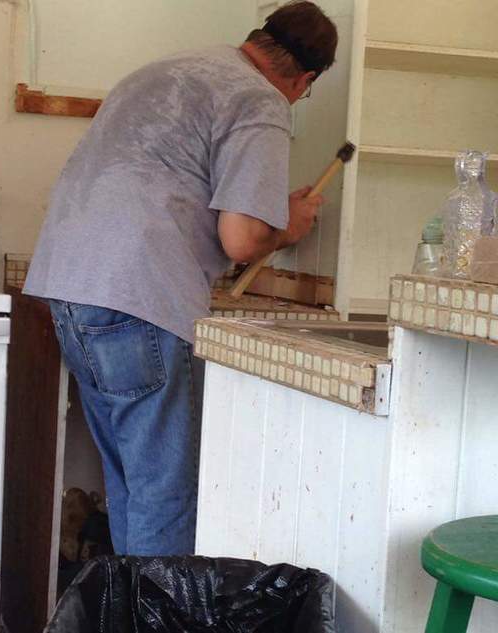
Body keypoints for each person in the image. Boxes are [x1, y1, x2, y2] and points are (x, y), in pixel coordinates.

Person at [24, 1, 338, 556]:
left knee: (127, 483)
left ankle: (131, 614)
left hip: (66, 287)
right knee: (164, 496)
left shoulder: (173, 68)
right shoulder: (260, 98)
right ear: (304, 79)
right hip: (138, 296)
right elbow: (241, 238)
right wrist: (286, 227)